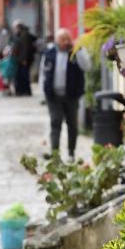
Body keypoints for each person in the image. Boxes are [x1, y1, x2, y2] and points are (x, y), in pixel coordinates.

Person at [41, 28, 92, 160]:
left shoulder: (76, 52)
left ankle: (71, 152)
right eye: (62, 39)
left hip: (72, 95)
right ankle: (55, 153)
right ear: (57, 40)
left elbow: (87, 66)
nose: (65, 42)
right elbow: (43, 73)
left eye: (67, 39)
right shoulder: (49, 53)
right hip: (53, 95)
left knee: (72, 124)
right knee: (55, 122)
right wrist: (43, 92)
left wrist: (78, 50)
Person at [10, 23, 36, 97]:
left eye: (15, 28)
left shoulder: (24, 35)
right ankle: (21, 90)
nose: (14, 30)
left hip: (23, 60)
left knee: (24, 76)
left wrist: (24, 59)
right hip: (20, 59)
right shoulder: (21, 35)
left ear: (19, 28)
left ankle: (25, 91)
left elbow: (25, 48)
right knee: (20, 76)